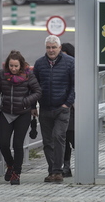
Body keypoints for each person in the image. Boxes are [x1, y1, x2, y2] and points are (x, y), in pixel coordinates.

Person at [0, 50, 42, 185]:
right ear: (7, 65)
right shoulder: (1, 75)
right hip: (6, 113)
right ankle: (11, 165)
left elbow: (38, 92)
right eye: (11, 66)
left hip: (22, 114)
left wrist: (25, 101)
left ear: (21, 65)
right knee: (3, 144)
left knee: (17, 144)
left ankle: (16, 173)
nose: (13, 69)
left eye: (16, 66)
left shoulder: (28, 75)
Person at [32, 35, 75, 183]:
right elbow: (34, 86)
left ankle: (58, 171)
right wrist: (33, 106)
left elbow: (75, 85)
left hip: (62, 108)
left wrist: (67, 103)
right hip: (45, 108)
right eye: (48, 47)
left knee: (58, 137)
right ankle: (52, 171)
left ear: (59, 48)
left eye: (54, 47)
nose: (51, 50)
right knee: (48, 142)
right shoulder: (39, 64)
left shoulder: (70, 63)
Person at [61, 43, 75, 178]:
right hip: (61, 110)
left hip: (75, 110)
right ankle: (66, 166)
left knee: (75, 138)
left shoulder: (76, 70)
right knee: (63, 139)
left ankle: (87, 164)